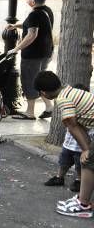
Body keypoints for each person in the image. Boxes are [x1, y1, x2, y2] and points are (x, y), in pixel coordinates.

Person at [34, 71, 94, 217]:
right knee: (89, 160)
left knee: (88, 161)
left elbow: (72, 125)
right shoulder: (70, 90)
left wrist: (86, 149)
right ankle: (82, 199)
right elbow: (79, 125)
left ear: (43, 93)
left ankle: (83, 204)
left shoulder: (63, 99)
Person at [8, 0, 55, 120]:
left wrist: (16, 48)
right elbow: (31, 25)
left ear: (33, 1)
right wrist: (15, 26)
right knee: (39, 81)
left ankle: (30, 112)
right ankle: (49, 107)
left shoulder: (34, 14)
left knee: (29, 81)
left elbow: (32, 34)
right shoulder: (47, 11)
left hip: (33, 55)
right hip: (46, 53)